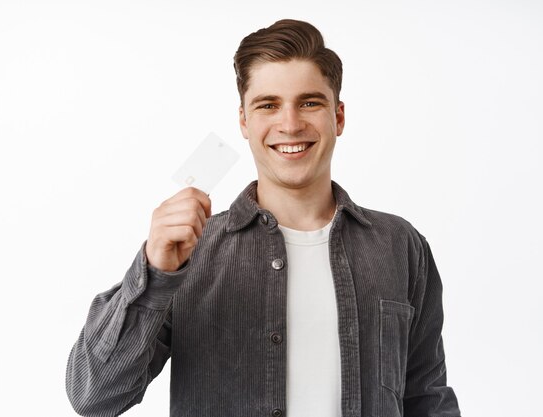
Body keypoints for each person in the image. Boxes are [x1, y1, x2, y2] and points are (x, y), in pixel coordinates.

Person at [66, 19, 461, 417]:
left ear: (338, 117)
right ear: (244, 121)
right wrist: (154, 272)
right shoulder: (190, 253)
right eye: (268, 104)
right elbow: (95, 397)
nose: (289, 124)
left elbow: (427, 398)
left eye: (309, 102)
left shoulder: (399, 245)